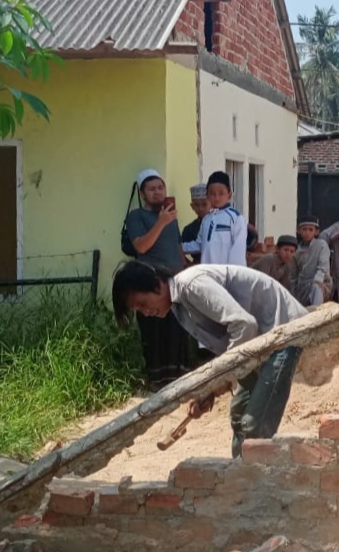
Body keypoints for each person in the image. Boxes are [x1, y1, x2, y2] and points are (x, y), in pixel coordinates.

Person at [113, 261, 307, 458]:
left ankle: (256, 481)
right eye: (139, 310)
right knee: (239, 417)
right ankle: (239, 476)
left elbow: (244, 325)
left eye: (143, 304)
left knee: (254, 424)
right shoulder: (179, 307)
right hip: (258, 345)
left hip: (282, 332)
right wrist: (209, 391)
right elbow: (228, 344)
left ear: (156, 283)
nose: (146, 312)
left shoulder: (191, 286)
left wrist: (221, 379)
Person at [124, 168, 194, 388]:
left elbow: (177, 246)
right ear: (143, 194)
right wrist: (161, 222)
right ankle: (156, 381)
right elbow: (141, 246)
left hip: (174, 281)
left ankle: (177, 379)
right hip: (151, 281)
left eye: (160, 188)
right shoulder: (137, 216)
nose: (157, 192)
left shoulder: (170, 216)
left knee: (176, 330)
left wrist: (187, 266)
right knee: (154, 333)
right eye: (151, 189)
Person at [183, 171, 247, 266]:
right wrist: (179, 247)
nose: (217, 198)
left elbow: (238, 250)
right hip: (208, 273)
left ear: (229, 195)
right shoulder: (206, 219)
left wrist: (233, 275)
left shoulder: (236, 218)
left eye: (221, 193)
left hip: (227, 273)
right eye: (212, 194)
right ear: (207, 195)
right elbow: (200, 244)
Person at [292, 216, 332, 307]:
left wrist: (317, 281)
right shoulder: (296, 250)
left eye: (310, 230)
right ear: (298, 231)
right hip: (302, 287)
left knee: (316, 289)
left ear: (316, 232)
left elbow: (323, 268)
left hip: (320, 284)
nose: (307, 233)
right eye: (304, 229)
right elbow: (293, 275)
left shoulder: (321, 245)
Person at [181, 183, 211, 265]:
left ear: (211, 204)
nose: (200, 208)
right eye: (197, 205)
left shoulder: (220, 223)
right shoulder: (189, 229)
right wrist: (189, 266)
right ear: (192, 206)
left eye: (204, 204)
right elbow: (179, 251)